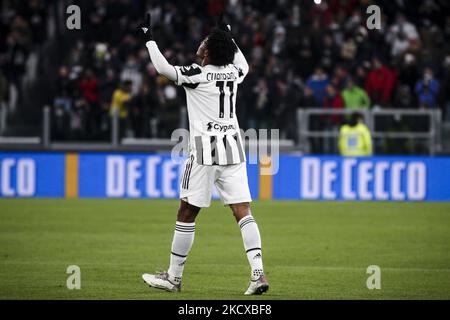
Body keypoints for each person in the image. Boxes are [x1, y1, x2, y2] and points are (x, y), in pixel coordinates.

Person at [138, 14, 269, 295]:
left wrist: (149, 37)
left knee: (187, 211)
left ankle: (173, 278)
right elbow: (243, 64)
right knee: (243, 211)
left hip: (204, 152)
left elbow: (163, 68)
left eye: (204, 42)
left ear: (207, 51)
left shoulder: (197, 75)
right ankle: (258, 274)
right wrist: (230, 36)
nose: (200, 43)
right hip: (233, 148)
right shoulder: (234, 73)